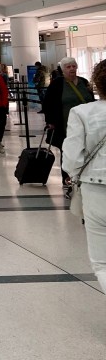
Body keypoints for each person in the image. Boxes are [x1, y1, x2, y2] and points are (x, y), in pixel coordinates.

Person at [62, 59, 106, 293]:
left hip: (95, 188)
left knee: (102, 263)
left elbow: (71, 157)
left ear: (96, 83)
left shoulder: (81, 112)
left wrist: (75, 175)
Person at [43, 57, 94, 189]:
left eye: (73, 66)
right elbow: (48, 103)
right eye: (68, 67)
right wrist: (50, 121)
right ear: (63, 69)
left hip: (86, 124)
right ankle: (67, 179)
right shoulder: (57, 84)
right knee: (67, 152)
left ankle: (84, 178)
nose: (72, 69)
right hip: (64, 125)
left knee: (86, 150)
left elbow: (92, 100)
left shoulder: (83, 82)